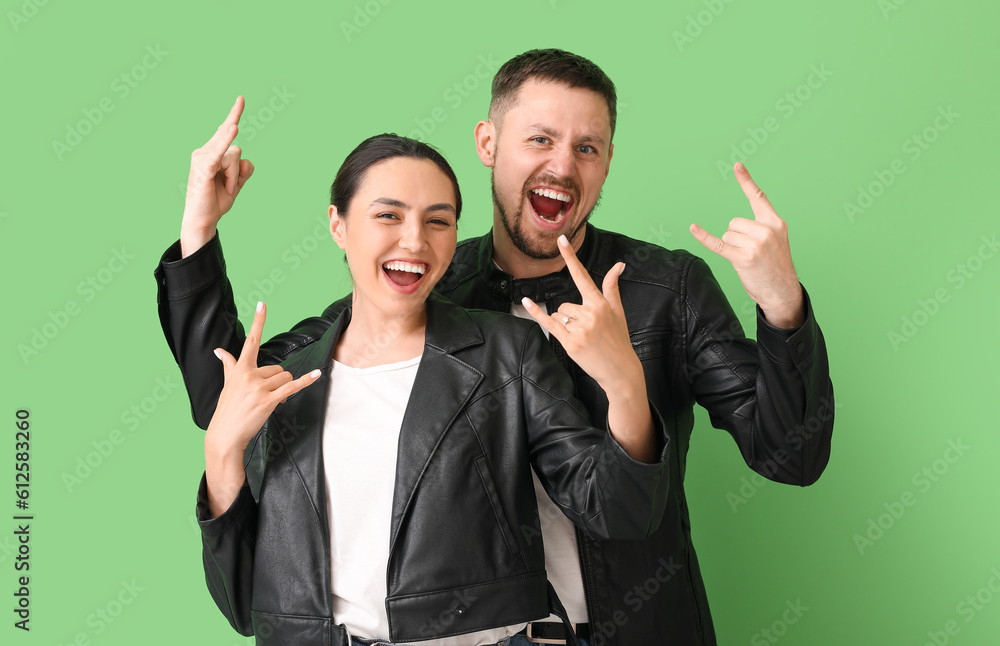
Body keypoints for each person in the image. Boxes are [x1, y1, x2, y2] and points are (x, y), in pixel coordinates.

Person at [155, 49, 834, 645]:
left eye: (587, 147)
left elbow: (792, 453)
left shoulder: (668, 288)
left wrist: (780, 304)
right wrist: (198, 233)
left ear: (607, 163)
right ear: (488, 143)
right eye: (539, 138)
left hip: (634, 624)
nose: (562, 165)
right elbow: (233, 391)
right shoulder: (424, 284)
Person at [177, 115, 671, 646]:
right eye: (388, 215)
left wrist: (625, 385)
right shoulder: (291, 368)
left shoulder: (509, 353)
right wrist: (220, 454)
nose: (414, 241)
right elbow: (247, 606)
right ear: (338, 225)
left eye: (439, 221)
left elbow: (616, 512)